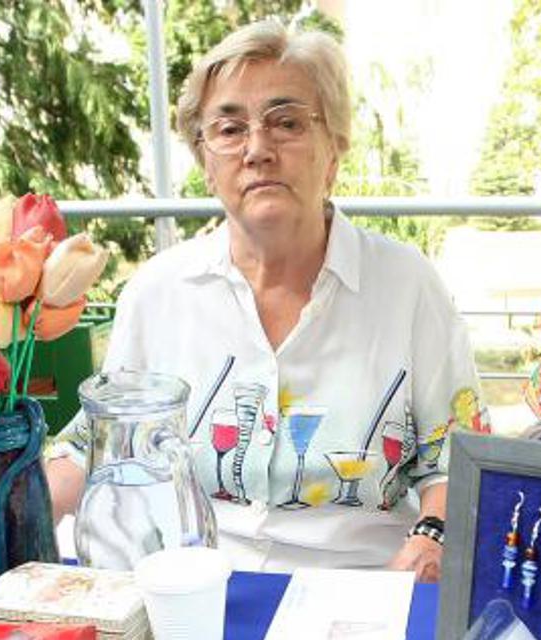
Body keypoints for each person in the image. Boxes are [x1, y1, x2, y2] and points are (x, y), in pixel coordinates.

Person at [46, 19, 487, 581]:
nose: (257, 150)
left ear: (335, 149)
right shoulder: (157, 294)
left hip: (365, 588)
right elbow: (98, 447)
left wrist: (432, 537)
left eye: (287, 123)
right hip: (191, 587)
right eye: (229, 129)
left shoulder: (408, 287)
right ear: (206, 164)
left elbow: (457, 459)